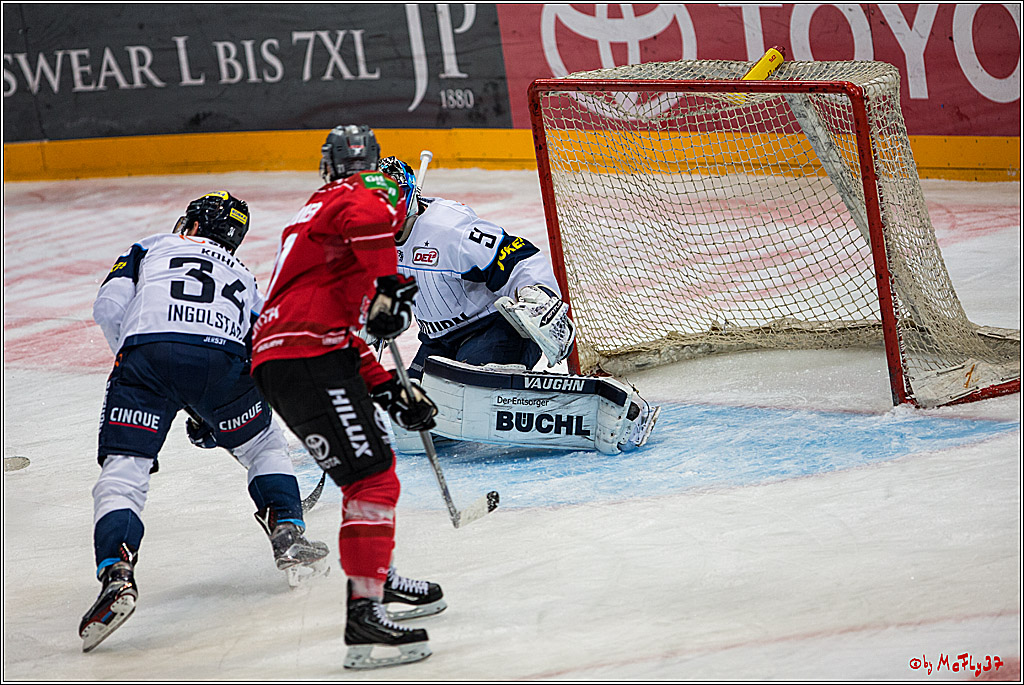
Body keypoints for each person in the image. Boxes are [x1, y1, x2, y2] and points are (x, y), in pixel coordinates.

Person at [81, 191, 330, 653]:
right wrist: (215, 407)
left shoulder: (151, 246)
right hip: (222, 364)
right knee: (264, 446)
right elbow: (267, 341)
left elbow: (109, 308)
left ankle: (117, 574)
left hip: (146, 359)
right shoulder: (242, 275)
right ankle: (287, 530)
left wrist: (138, 359)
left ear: (192, 224)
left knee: (124, 472)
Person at [250, 125, 444, 670]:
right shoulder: (363, 196)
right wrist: (389, 286)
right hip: (309, 358)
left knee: (368, 477)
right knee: (373, 480)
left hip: (287, 358)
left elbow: (337, 328)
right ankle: (365, 615)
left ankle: (376, 576)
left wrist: (390, 388)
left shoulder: (315, 214)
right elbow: (369, 216)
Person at [376, 156, 659, 455]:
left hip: (494, 329)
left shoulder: (448, 230)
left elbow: (517, 256)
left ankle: (613, 407)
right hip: (438, 342)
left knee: (474, 393)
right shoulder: (369, 242)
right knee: (409, 422)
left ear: (411, 194)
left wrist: (540, 296)